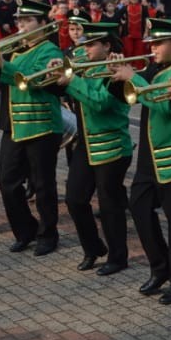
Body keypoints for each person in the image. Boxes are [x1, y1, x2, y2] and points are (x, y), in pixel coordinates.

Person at [108, 18, 171, 304]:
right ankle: (161, 267)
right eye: (152, 43)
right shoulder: (157, 66)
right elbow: (130, 97)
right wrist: (113, 74)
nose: (153, 48)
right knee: (138, 206)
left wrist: (132, 77)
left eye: (158, 43)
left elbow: (161, 101)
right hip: (151, 154)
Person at [0, 0, 64, 257]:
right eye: (19, 21)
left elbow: (33, 80)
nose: (21, 26)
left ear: (42, 24)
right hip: (14, 125)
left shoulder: (50, 51)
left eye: (27, 21)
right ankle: (26, 230)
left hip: (42, 126)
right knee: (6, 182)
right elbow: (2, 79)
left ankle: (49, 234)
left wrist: (4, 65)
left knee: (42, 185)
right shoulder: (14, 50)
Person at [59, 22, 132, 276]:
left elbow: (100, 102)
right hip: (87, 143)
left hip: (112, 144)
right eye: (84, 44)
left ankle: (118, 257)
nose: (85, 49)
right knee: (75, 198)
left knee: (109, 204)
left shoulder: (115, 69)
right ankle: (93, 248)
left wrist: (71, 81)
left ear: (107, 45)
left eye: (91, 45)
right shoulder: (84, 63)